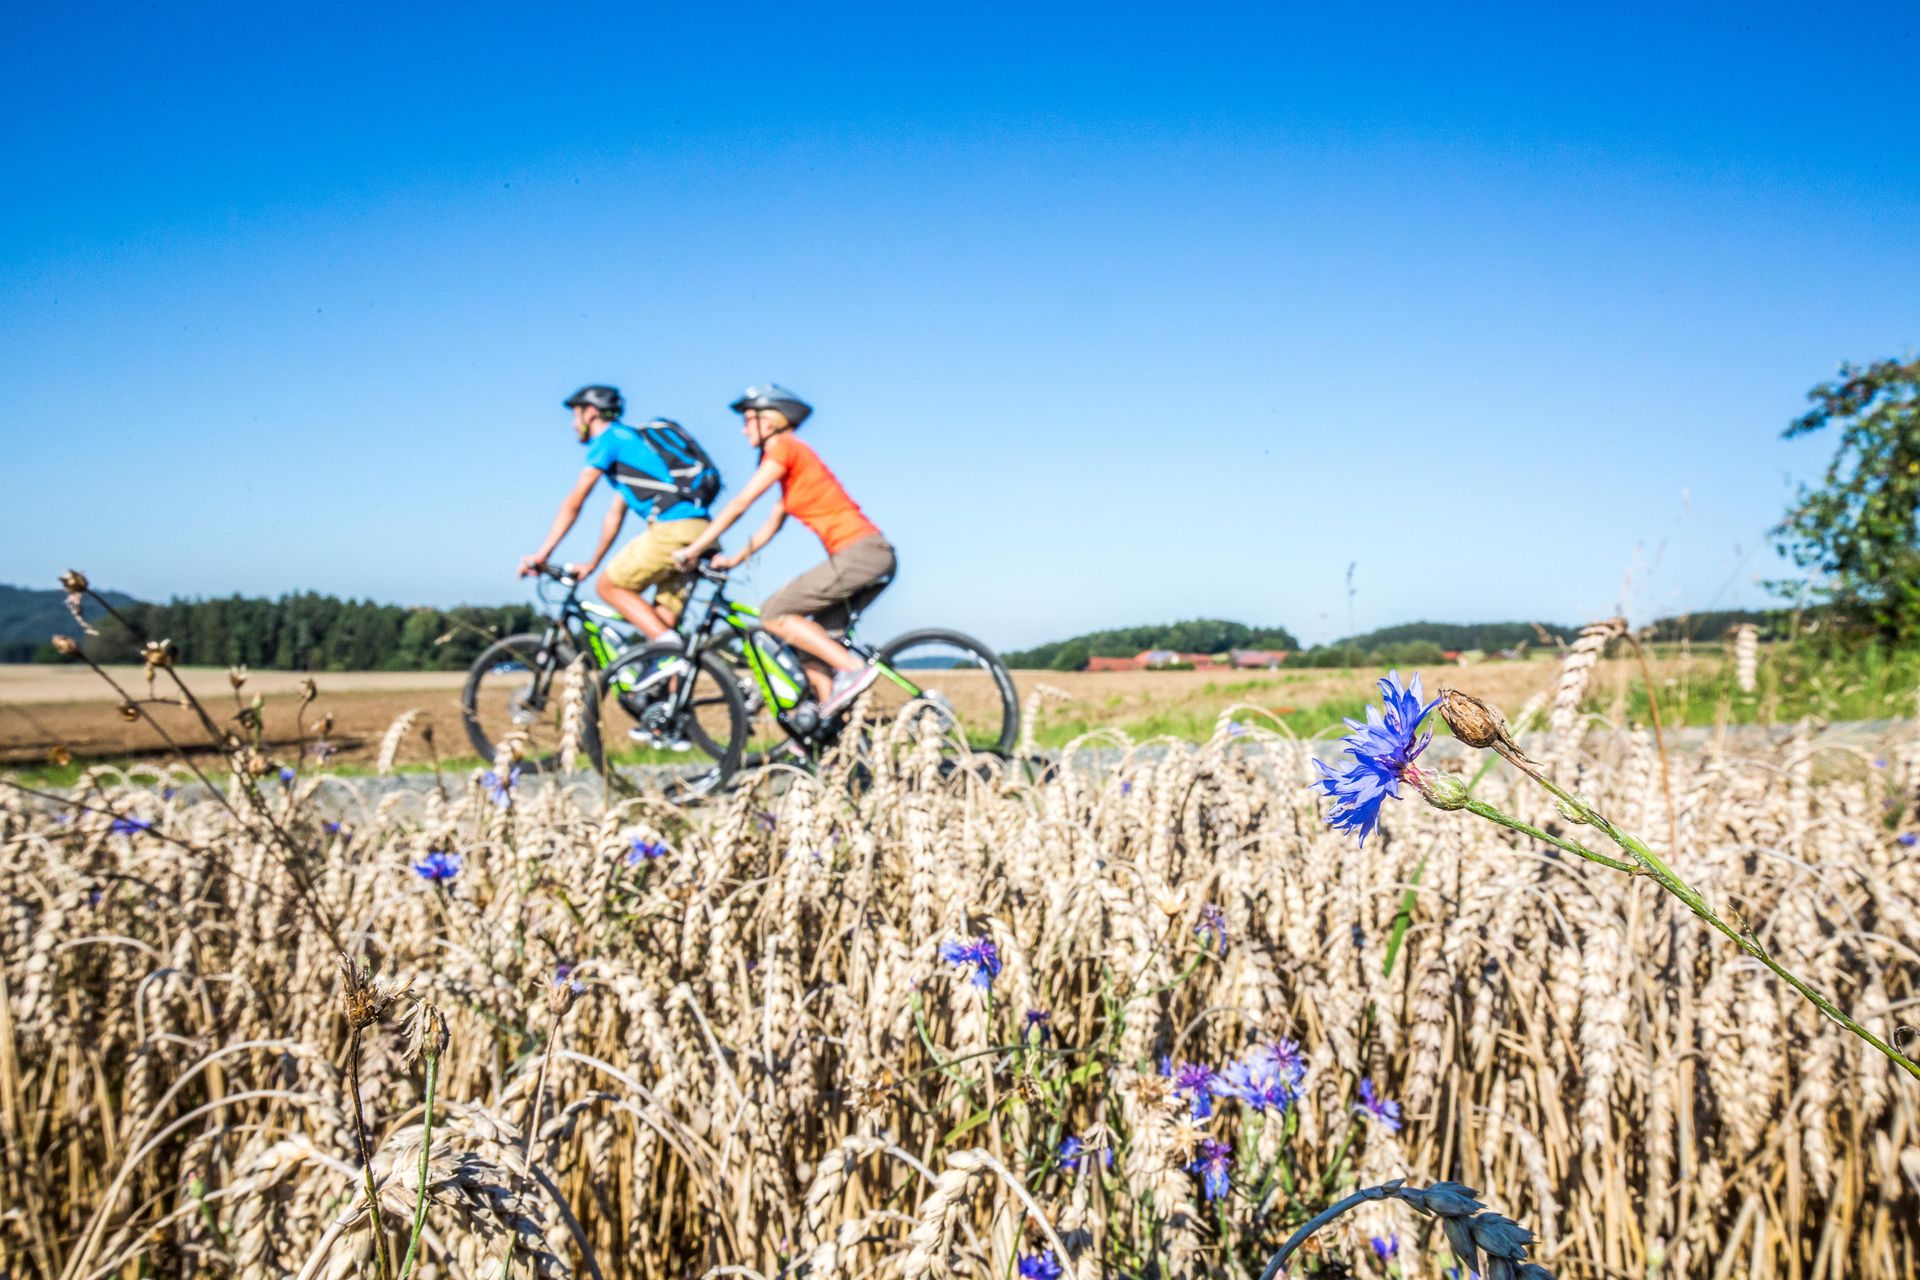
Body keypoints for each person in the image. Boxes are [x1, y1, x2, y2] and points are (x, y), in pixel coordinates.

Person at [674, 384, 894, 715]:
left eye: (748, 420)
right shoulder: (794, 469)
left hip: (861, 553)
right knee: (811, 643)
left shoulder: (785, 447)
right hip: (867, 557)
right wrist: (735, 559)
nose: (743, 429)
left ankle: (852, 670)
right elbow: (771, 525)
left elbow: (741, 503)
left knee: (774, 613)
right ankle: (827, 723)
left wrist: (694, 548)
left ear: (770, 421)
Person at [519, 385, 721, 644]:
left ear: (590, 413)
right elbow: (614, 515)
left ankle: (671, 648)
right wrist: (592, 563)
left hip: (670, 529)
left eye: (575, 415)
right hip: (701, 531)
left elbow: (574, 502)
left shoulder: (609, 439)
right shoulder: (633, 445)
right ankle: (671, 663)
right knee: (662, 621)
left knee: (608, 586)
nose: (573, 424)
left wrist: (542, 554)